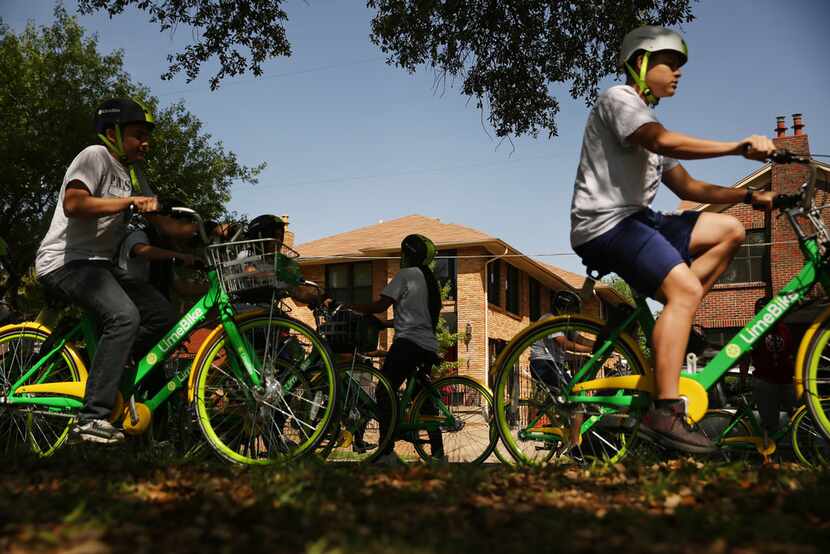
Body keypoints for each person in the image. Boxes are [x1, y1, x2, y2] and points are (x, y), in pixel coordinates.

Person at [569, 26, 778, 453]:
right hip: (605, 224)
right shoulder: (619, 100)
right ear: (640, 64)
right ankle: (665, 412)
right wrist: (737, 147)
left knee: (730, 229)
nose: (678, 73)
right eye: (670, 62)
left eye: (682, 65)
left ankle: (676, 311)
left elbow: (689, 189)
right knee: (683, 289)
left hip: (641, 221)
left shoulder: (650, 124)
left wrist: (750, 196)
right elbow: (662, 140)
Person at [36, 98, 207, 444]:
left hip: (101, 267)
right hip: (64, 263)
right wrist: (129, 202)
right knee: (125, 316)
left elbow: (168, 226)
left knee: (162, 316)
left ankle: (107, 369)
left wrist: (206, 231)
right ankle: (91, 418)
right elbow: (74, 204)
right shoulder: (94, 156)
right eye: (138, 135)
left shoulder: (134, 174)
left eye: (147, 136)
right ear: (112, 133)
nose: (146, 143)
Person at [346, 234, 444, 465]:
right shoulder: (429, 281)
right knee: (424, 400)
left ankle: (386, 451)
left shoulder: (406, 275)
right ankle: (438, 454)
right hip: (427, 344)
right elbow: (417, 318)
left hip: (408, 343)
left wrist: (352, 308)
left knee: (384, 392)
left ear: (407, 253)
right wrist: (387, 324)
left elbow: (380, 305)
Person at [739, 297, 798, 441]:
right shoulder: (753, 329)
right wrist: (743, 379)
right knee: (769, 423)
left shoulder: (784, 329)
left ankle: (800, 448)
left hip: (787, 381)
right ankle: (769, 454)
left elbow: (793, 354)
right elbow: (745, 357)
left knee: (798, 417)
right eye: (759, 310)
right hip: (765, 382)